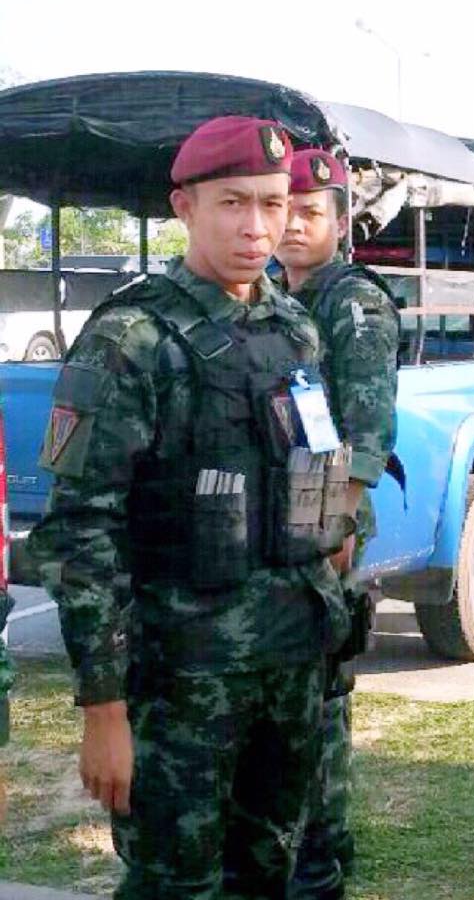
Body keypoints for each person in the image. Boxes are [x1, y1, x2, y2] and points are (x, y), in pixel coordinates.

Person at [27, 116, 352, 899]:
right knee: (175, 885)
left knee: (270, 873)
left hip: (291, 667)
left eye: (273, 204)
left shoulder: (294, 328)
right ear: (185, 207)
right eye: (232, 203)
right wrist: (104, 709)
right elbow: (81, 533)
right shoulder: (131, 339)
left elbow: (315, 468)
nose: (257, 227)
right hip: (182, 684)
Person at [274, 148, 400, 900]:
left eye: (311, 212)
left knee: (319, 690)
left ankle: (320, 851)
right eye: (285, 210)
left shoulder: (352, 303)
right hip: (280, 518)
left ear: (342, 221)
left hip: (326, 520)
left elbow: (365, 426)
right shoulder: (274, 298)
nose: (294, 225)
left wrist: (338, 525)